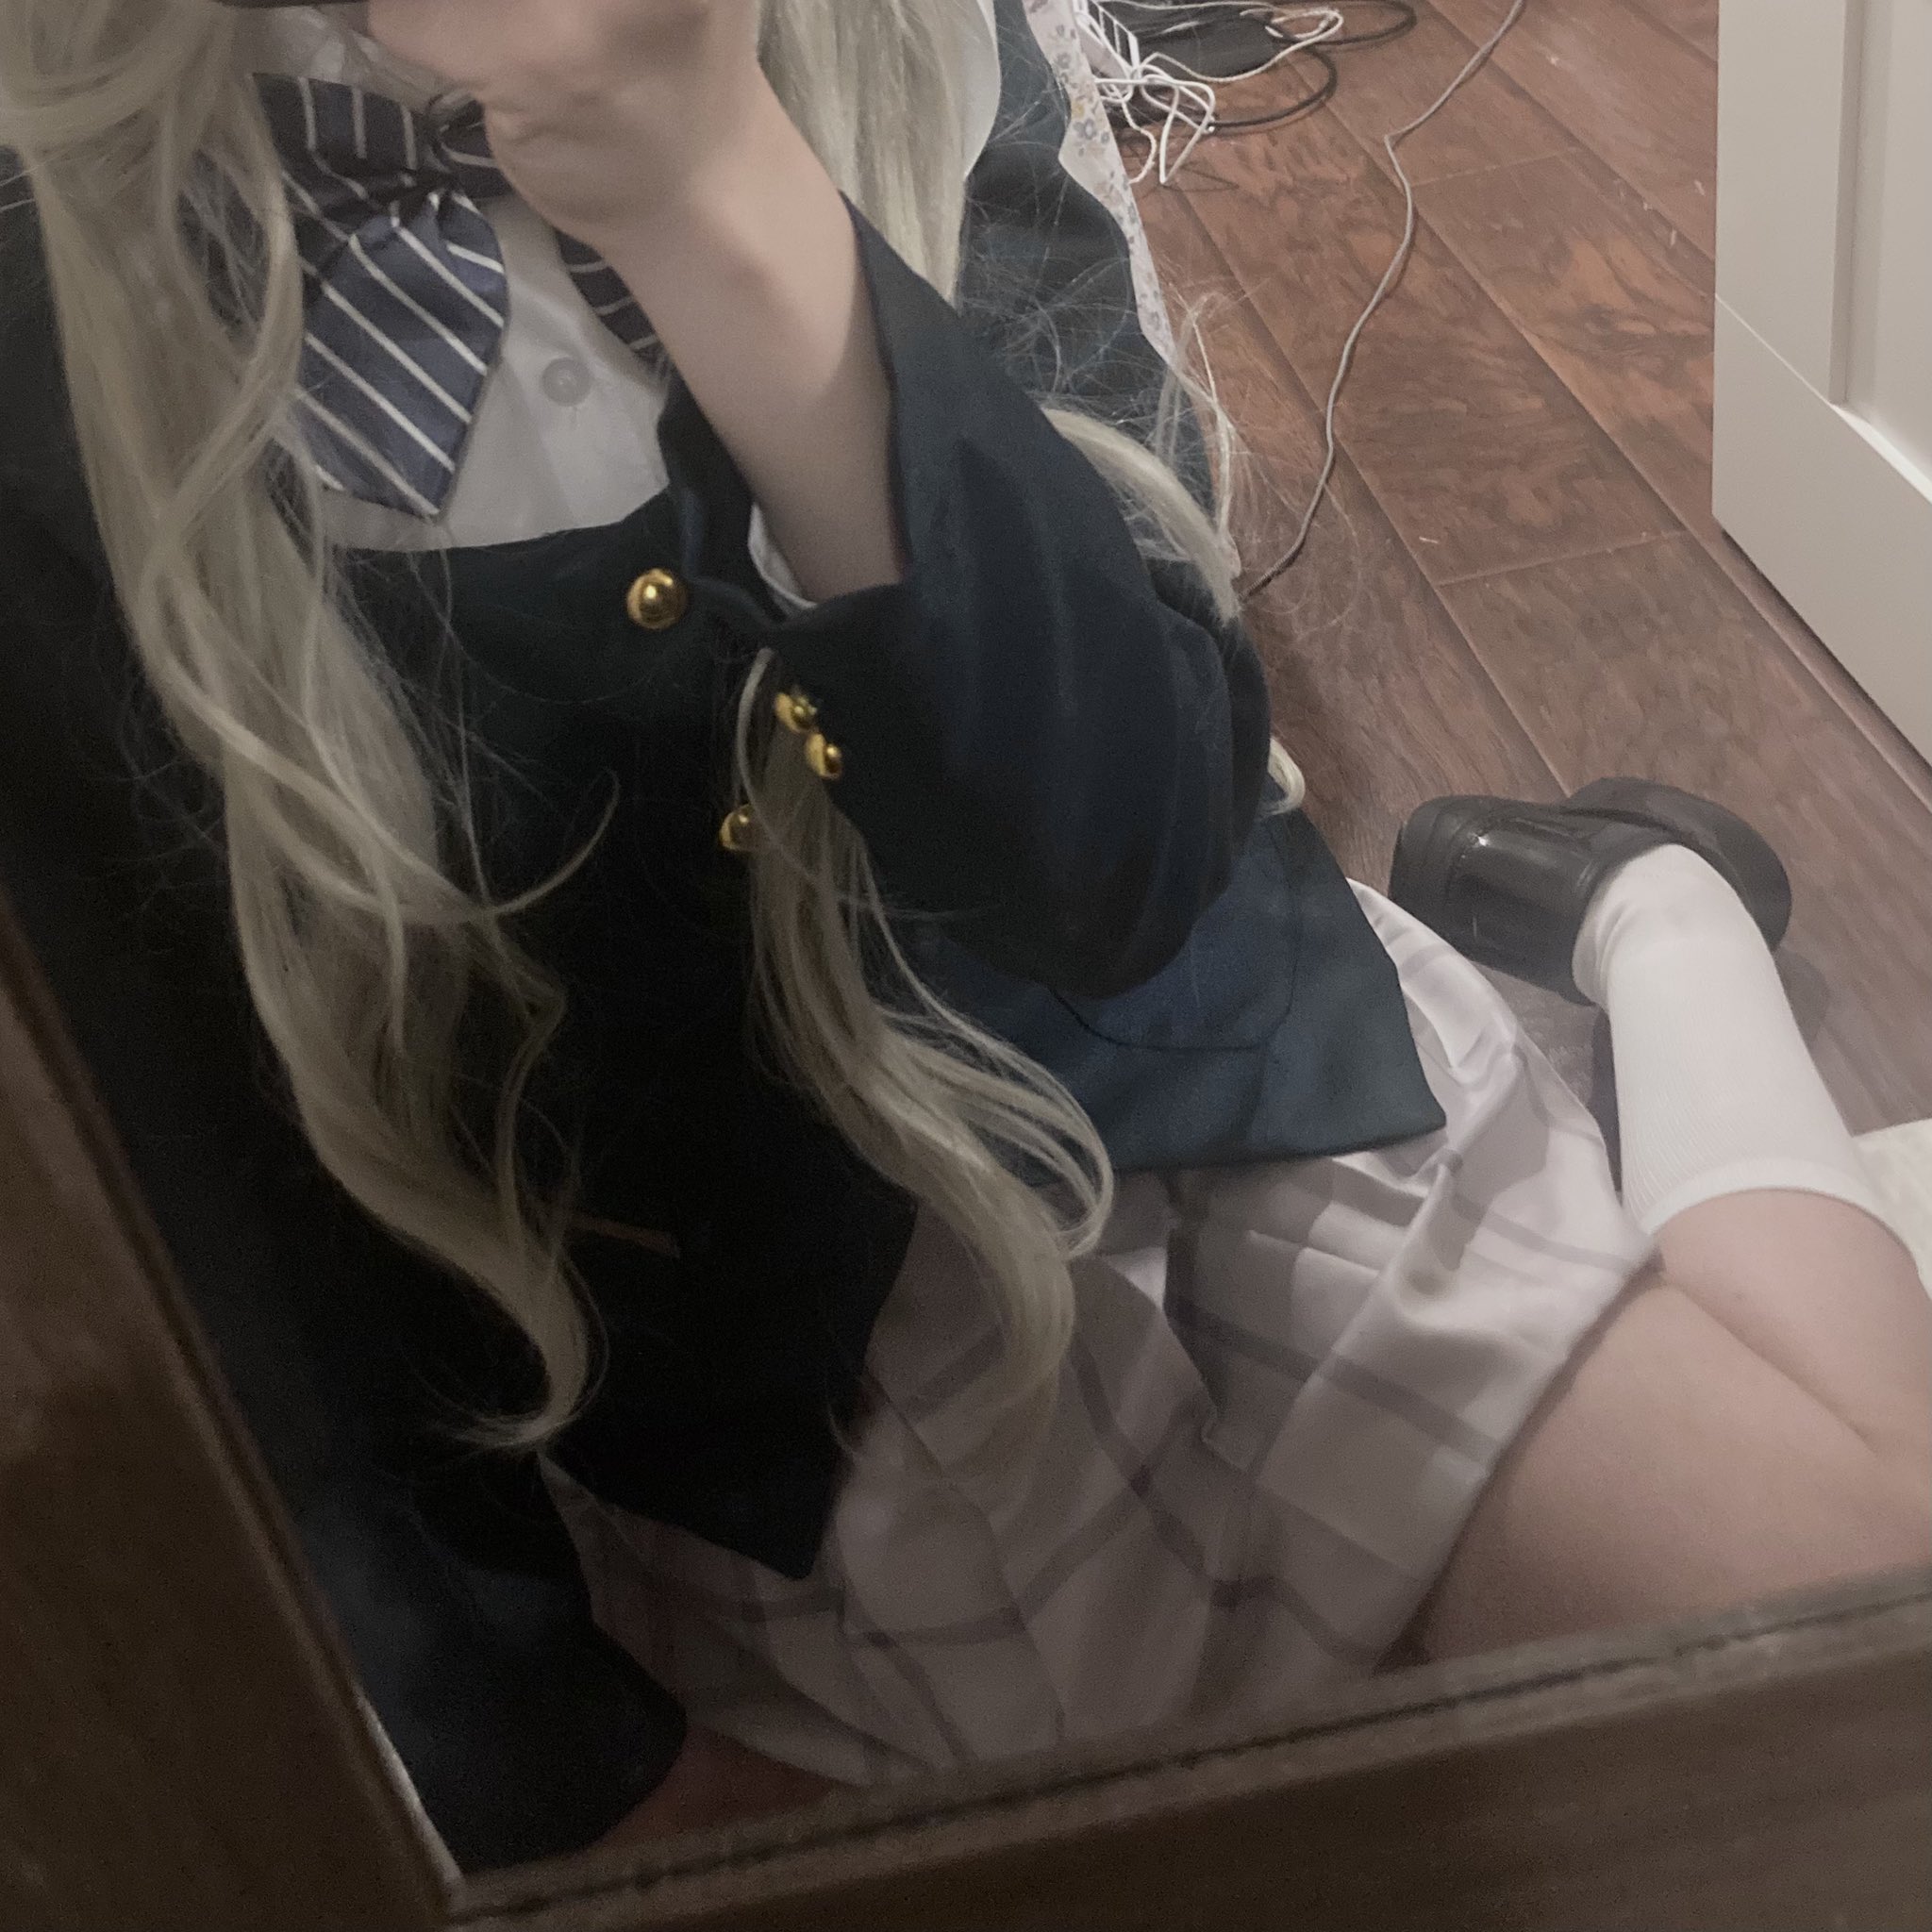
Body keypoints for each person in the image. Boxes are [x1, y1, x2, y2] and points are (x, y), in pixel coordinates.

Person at [0, 0, 1924, 1872]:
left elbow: (1130, 858)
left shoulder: (910, 42)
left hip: (1167, 1109)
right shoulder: (44, 268)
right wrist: (552, 1758)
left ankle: (1650, 919)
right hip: (668, 1406)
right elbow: (184, 1207)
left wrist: (717, 193)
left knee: (1861, 1725)